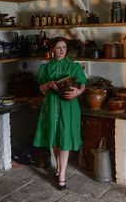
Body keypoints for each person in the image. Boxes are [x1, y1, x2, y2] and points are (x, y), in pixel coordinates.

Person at [33, 37, 86, 190]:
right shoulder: (46, 67)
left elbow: (83, 83)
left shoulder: (73, 66)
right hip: (51, 105)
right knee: (55, 139)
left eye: (63, 47)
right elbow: (41, 88)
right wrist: (49, 84)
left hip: (68, 106)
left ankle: (62, 175)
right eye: (58, 47)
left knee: (65, 138)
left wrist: (78, 92)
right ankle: (58, 169)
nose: (61, 50)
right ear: (53, 50)